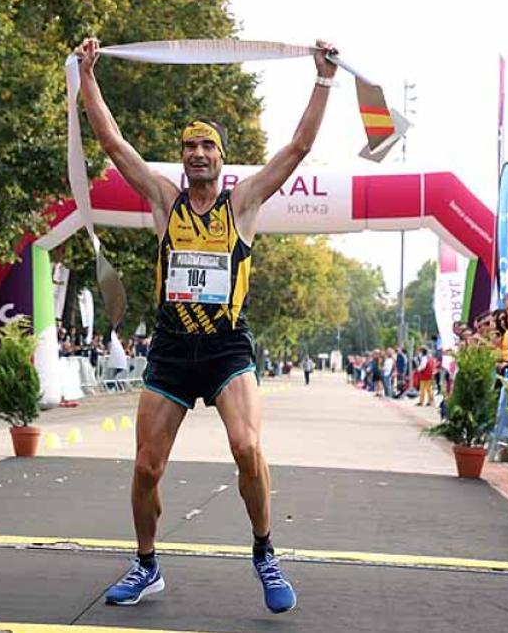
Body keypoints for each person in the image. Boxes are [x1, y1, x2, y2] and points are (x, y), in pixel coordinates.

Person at [76, 36, 340, 613]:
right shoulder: (163, 201)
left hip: (225, 348)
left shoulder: (242, 204)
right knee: (147, 466)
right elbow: (113, 145)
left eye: (208, 146)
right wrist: (87, 76)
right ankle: (146, 566)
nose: (198, 153)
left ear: (222, 157)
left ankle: (265, 553)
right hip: (172, 347)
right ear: (182, 157)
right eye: (190, 146)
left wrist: (322, 81)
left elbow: (296, 149)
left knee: (247, 447)